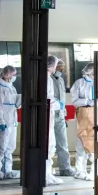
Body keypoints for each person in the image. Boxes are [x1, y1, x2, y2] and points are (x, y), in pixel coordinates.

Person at [70, 63, 98, 181]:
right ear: (89, 71)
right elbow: (75, 101)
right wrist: (88, 102)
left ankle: (96, 171)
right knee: (82, 144)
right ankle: (80, 171)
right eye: (94, 72)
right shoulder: (79, 83)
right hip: (83, 117)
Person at [50, 57, 74, 177]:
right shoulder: (48, 79)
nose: (62, 69)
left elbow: (62, 99)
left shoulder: (60, 80)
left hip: (59, 115)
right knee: (49, 144)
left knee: (62, 142)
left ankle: (65, 168)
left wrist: (63, 114)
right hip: (50, 115)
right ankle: (47, 170)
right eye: (60, 67)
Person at [0, 65, 21, 180]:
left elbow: (14, 104)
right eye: (13, 74)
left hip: (12, 121)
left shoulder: (11, 87)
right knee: (1, 147)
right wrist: (0, 121)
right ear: (7, 75)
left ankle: (7, 170)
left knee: (10, 147)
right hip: (4, 122)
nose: (14, 77)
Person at [45, 57, 64, 185]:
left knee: (50, 146)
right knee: (48, 146)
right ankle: (46, 174)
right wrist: (58, 104)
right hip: (47, 115)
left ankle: (48, 173)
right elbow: (48, 99)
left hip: (48, 115)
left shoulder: (47, 78)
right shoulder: (47, 79)